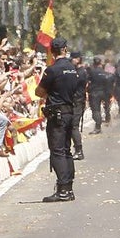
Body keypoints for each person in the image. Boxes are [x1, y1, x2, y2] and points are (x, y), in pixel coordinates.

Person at [35, 37, 81, 202]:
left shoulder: (52, 70)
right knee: (67, 151)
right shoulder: (73, 69)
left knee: (57, 151)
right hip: (70, 111)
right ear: (65, 49)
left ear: (52, 52)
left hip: (57, 114)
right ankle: (68, 188)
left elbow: (39, 92)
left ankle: (62, 189)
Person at [88, 56, 114, 134]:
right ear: (101, 64)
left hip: (94, 93)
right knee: (106, 106)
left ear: (94, 63)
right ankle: (107, 117)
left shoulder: (91, 72)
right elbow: (110, 81)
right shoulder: (105, 74)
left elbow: (87, 81)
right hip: (104, 93)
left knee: (96, 110)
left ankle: (98, 126)